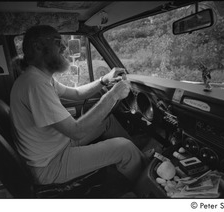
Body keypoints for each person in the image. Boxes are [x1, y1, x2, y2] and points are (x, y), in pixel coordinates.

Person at [10, 25, 152, 190]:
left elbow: (77, 94)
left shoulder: (40, 77)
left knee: (108, 121)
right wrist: (112, 95)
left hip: (57, 146)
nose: (64, 47)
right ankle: (147, 189)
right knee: (124, 148)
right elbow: (76, 131)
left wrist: (103, 81)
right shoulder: (35, 84)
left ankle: (138, 159)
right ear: (38, 47)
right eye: (58, 42)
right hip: (49, 164)